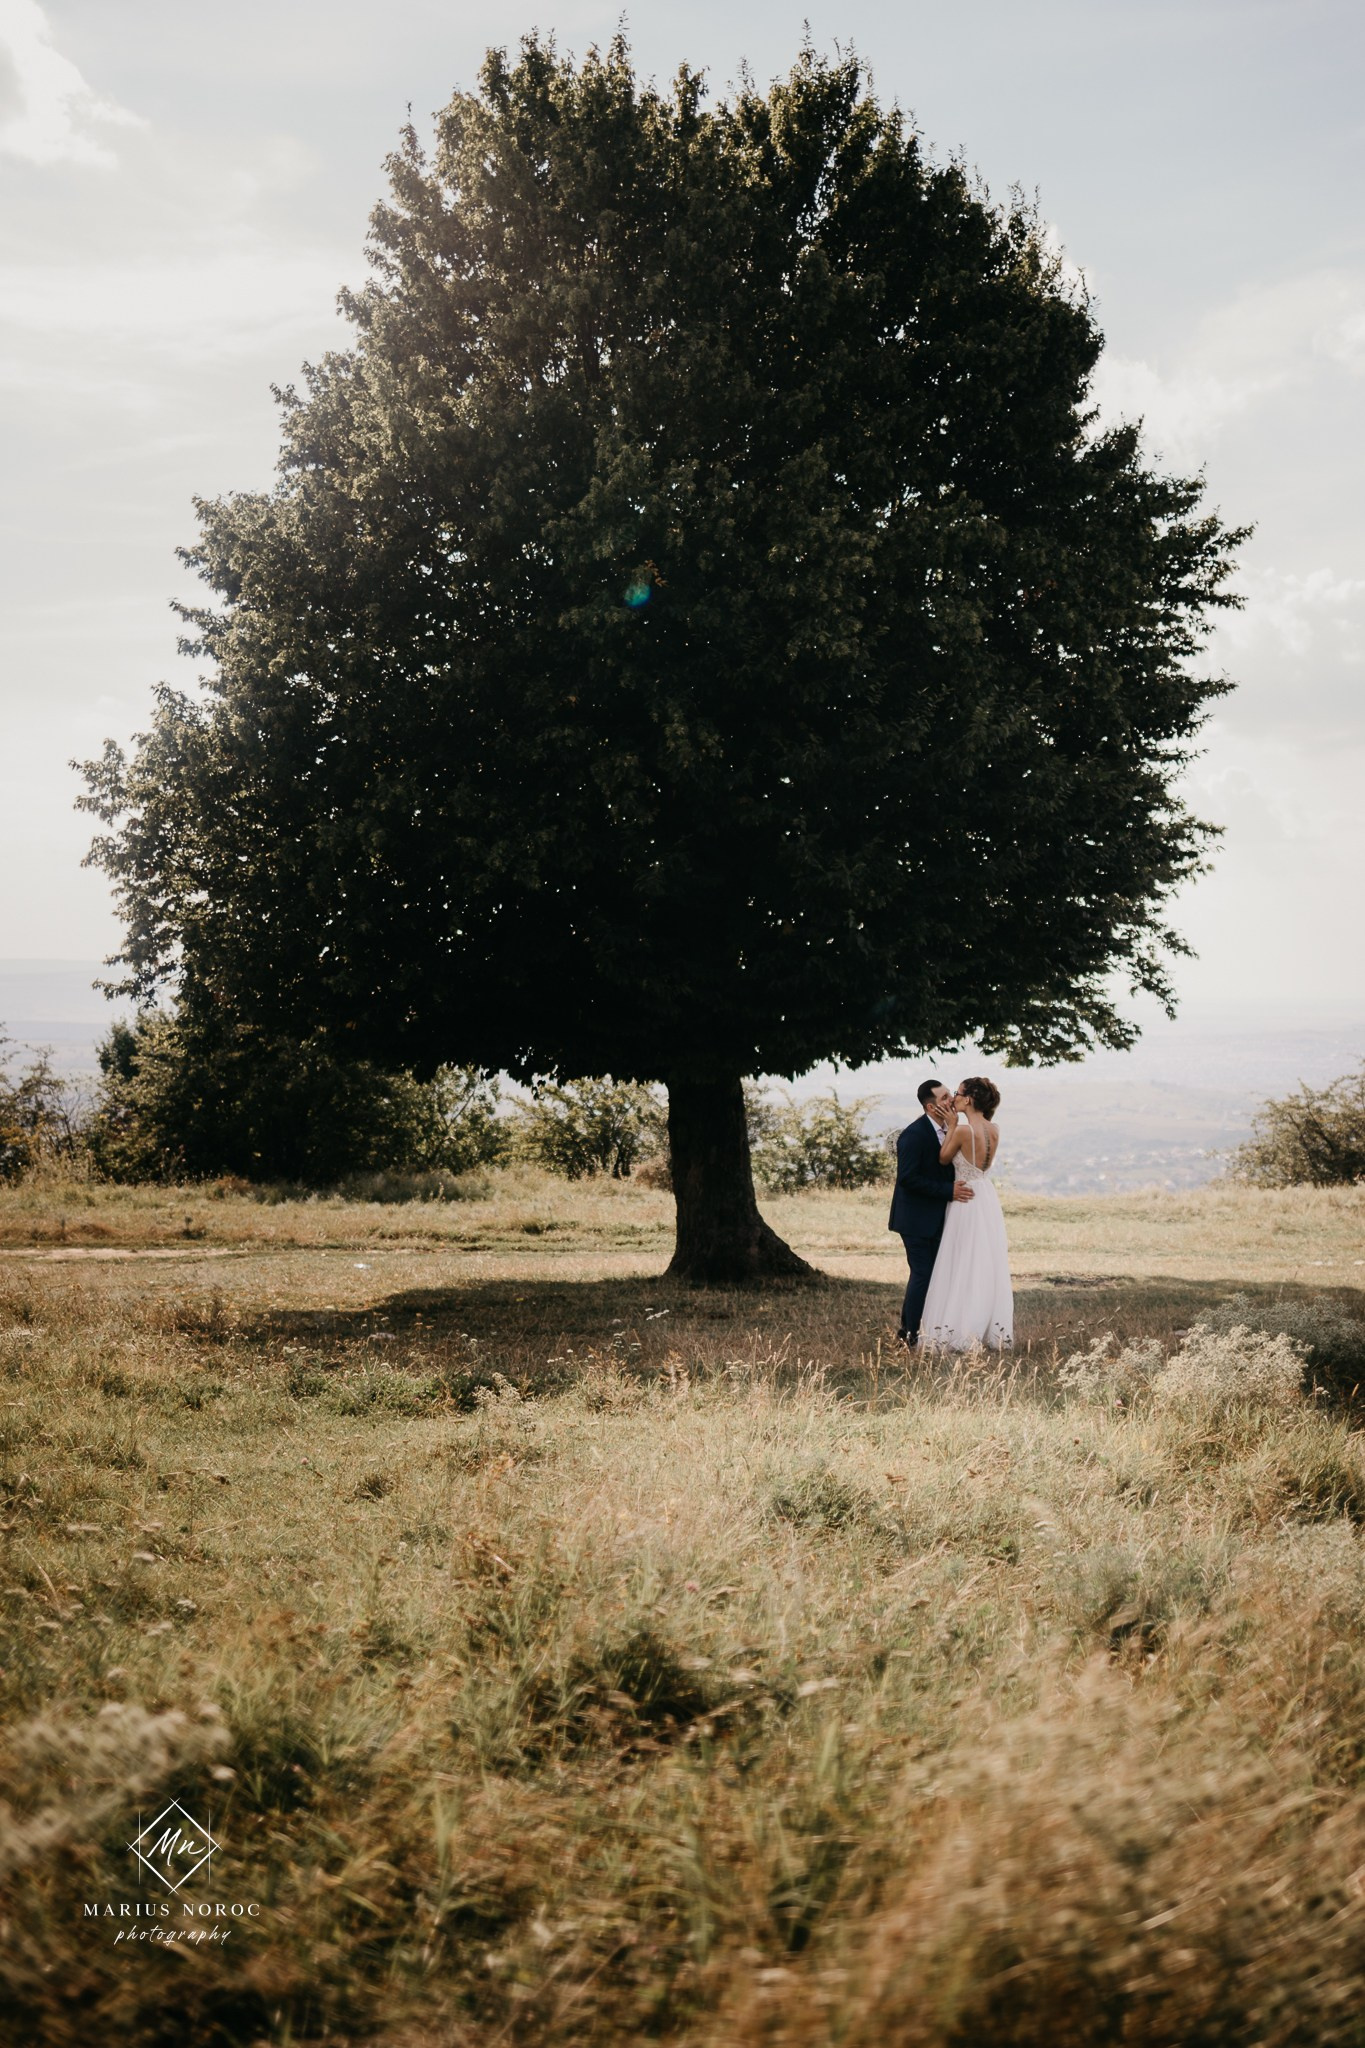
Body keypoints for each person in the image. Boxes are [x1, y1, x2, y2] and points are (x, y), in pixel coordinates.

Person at [918, 1076, 1013, 1350]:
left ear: (968, 1099)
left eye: (958, 1094)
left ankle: (958, 1330)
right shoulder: (994, 1129)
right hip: (985, 1195)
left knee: (961, 1260)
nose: (954, 1099)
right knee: (984, 1260)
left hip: (965, 1197)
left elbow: (944, 1158)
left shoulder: (961, 1131)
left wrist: (951, 1126)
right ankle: (985, 1329)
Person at [888, 1078, 974, 1347]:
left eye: (951, 1094)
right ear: (930, 1106)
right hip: (915, 1219)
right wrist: (947, 1191)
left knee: (936, 1275)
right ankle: (909, 1335)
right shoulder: (914, 1135)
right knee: (923, 1274)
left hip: (938, 1218)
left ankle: (932, 1330)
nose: (951, 1099)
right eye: (945, 1097)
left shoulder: (949, 1129)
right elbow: (908, 1179)